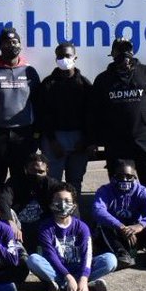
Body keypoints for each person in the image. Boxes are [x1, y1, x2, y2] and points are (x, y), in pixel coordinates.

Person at [91, 38, 146, 205]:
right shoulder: (103, 80)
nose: (124, 56)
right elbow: (93, 112)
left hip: (145, 141)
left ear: (133, 52)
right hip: (116, 144)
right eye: (119, 52)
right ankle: (122, 222)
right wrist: (98, 139)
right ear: (112, 54)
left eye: (127, 51)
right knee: (119, 186)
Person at [0, 27, 41, 194]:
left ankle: (19, 212)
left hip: (23, 134)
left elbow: (39, 104)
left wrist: (37, 135)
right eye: (7, 42)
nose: (12, 45)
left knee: (22, 177)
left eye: (15, 42)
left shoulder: (29, 71)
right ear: (0, 46)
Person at [27, 183, 116, 291]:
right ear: (50, 204)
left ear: (74, 205)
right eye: (58, 200)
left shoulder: (82, 227)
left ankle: (68, 287)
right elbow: (50, 255)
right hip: (57, 270)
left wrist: (83, 278)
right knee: (33, 259)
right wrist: (68, 277)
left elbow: (87, 255)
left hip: (79, 269)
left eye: (67, 201)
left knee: (110, 259)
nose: (63, 205)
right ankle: (78, 287)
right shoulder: (45, 228)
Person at [91, 161, 146, 270]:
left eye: (129, 176)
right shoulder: (105, 190)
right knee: (102, 225)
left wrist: (141, 225)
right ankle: (121, 254)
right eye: (120, 176)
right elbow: (98, 210)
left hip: (135, 231)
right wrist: (120, 226)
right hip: (115, 232)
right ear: (113, 176)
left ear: (134, 177)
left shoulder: (141, 191)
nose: (124, 180)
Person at [36, 42, 92, 196]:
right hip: (54, 139)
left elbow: (91, 114)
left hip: (79, 139)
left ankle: (74, 215)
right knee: (52, 181)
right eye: (60, 56)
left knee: (75, 181)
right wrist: (52, 141)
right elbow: (42, 115)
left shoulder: (85, 84)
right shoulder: (48, 84)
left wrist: (86, 140)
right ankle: (50, 216)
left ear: (75, 57)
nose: (64, 59)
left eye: (67, 55)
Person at [0, 152, 58, 247]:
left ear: (47, 170)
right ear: (26, 169)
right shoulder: (15, 182)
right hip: (18, 224)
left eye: (41, 172)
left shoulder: (52, 185)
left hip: (43, 225)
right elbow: (3, 200)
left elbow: (66, 201)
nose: (37, 175)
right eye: (33, 171)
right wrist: (9, 220)